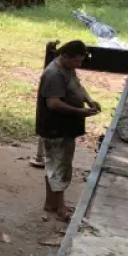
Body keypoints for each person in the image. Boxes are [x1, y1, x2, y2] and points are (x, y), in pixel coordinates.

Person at [36, 40, 100, 220]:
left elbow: (77, 86)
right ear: (64, 56)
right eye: (76, 61)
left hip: (64, 127)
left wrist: (89, 100)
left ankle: (51, 203)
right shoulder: (54, 74)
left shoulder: (67, 68)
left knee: (54, 165)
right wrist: (80, 112)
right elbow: (53, 103)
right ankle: (61, 208)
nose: (78, 65)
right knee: (60, 167)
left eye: (80, 61)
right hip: (56, 128)